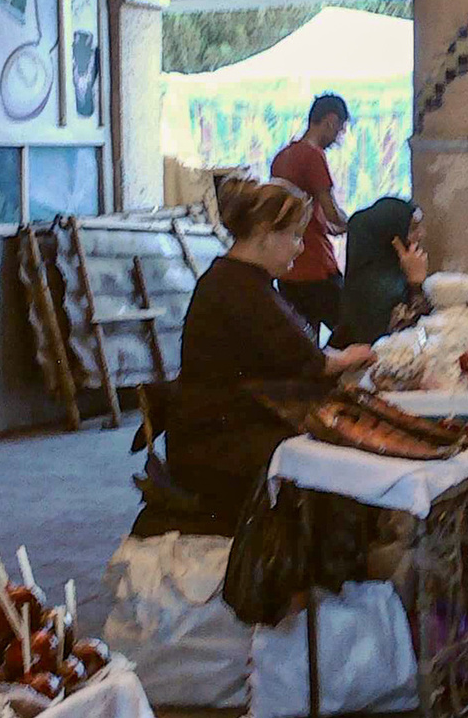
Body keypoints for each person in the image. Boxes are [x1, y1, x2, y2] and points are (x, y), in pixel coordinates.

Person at [162, 179, 373, 521]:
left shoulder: (240, 280)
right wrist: (351, 357)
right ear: (264, 233)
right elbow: (309, 362)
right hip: (219, 441)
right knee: (342, 455)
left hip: (231, 424)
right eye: (293, 236)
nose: (300, 248)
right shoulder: (238, 289)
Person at [269, 94, 352, 332]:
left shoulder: (282, 156)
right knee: (350, 331)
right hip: (315, 265)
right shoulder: (313, 155)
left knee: (304, 341)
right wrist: (357, 224)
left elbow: (304, 211)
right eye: (339, 129)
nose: (337, 139)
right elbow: (331, 211)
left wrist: (329, 225)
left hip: (287, 267)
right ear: (330, 121)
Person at [332, 196, 432, 346]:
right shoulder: (375, 286)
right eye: (412, 229)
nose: (421, 234)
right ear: (392, 237)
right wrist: (416, 283)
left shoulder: (391, 271)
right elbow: (405, 331)